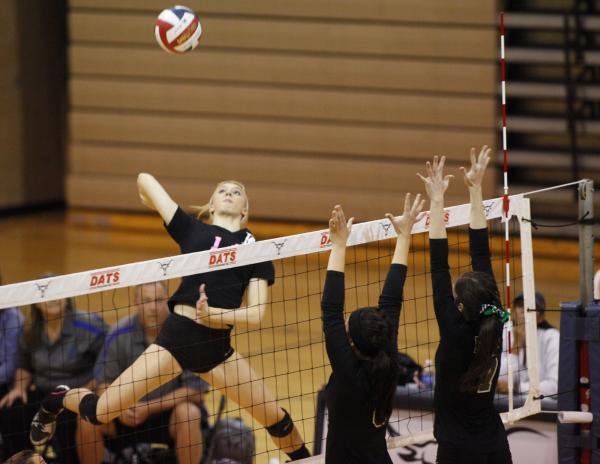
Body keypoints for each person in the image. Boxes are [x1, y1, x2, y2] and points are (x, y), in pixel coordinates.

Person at [31, 176, 310, 461]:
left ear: (244, 210)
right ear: (211, 205)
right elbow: (144, 179)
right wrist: (148, 197)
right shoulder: (192, 229)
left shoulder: (256, 252)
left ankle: (307, 459)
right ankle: (58, 398)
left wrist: (215, 314)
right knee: (101, 412)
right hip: (176, 339)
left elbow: (256, 313)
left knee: (275, 417)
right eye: (222, 191)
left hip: (217, 347)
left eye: (236, 192)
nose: (228, 193)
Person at [418, 148, 512, 463]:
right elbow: (480, 254)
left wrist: (436, 200)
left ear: (460, 307)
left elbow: (438, 264)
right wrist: (474, 189)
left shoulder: (455, 328)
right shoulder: (495, 319)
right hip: (494, 446)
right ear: (489, 297)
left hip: (457, 450)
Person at [321, 194, 425, 463]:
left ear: (352, 342)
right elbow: (389, 301)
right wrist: (404, 237)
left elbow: (332, 309)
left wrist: (339, 244)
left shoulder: (349, 370)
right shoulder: (387, 360)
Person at [78, 282, 209, 464]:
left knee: (190, 413)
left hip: (167, 416)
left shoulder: (184, 332)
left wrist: (149, 407)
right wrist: (120, 407)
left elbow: (196, 391)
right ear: (136, 303)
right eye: (146, 301)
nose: (153, 308)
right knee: (87, 418)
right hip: (124, 414)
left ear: (168, 301)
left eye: (158, 300)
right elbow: (103, 384)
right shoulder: (118, 334)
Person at [0, 281, 107, 463]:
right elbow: (24, 365)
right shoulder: (30, 331)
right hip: (44, 394)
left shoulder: (89, 324)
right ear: (37, 303)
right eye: (48, 294)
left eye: (58, 292)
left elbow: (105, 359)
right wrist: (19, 387)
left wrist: (90, 387)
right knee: (12, 408)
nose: (54, 298)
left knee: (72, 418)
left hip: (75, 394)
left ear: (67, 298)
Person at [497, 292, 559, 397]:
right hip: (509, 402)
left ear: (541, 317)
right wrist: (516, 346)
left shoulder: (552, 338)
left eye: (531, 307)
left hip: (542, 403)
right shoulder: (505, 332)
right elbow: (501, 380)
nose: (524, 311)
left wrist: (518, 388)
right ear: (513, 312)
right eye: (520, 305)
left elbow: (555, 386)